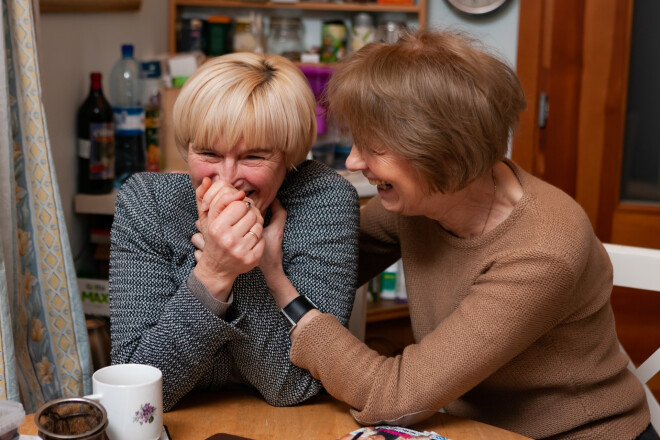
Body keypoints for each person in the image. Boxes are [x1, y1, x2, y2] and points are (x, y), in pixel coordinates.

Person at [255, 30, 657, 440]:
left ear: (440, 149)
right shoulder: (427, 197)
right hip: (471, 427)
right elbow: (322, 256)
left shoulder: (544, 249)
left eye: (375, 147)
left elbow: (392, 396)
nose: (356, 161)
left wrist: (285, 294)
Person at [109, 52, 360, 411]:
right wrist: (215, 272)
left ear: (288, 156)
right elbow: (139, 392)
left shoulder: (324, 199)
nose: (227, 177)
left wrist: (258, 268)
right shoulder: (147, 202)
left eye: (253, 156)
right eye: (209, 153)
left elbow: (292, 386)